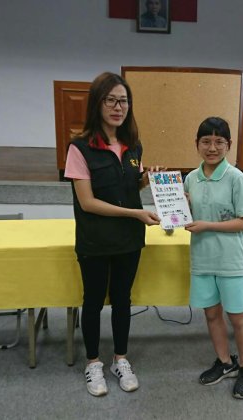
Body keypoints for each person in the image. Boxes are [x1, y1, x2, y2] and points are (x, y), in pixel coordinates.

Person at [64, 72, 162, 397]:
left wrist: (146, 179)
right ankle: (93, 363)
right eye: (111, 100)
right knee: (93, 301)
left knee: (122, 300)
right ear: (97, 103)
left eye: (124, 101)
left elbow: (128, 186)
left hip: (128, 240)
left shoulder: (133, 146)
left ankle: (121, 358)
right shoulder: (79, 148)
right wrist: (135, 213)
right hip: (95, 240)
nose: (118, 107)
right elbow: (88, 202)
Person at [184, 117, 243, 399]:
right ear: (197, 144)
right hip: (202, 259)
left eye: (219, 142)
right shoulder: (191, 178)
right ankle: (225, 362)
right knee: (212, 314)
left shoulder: (236, 177)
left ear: (229, 145)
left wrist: (207, 225)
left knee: (238, 316)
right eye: (206, 141)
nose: (212, 148)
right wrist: (176, 209)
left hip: (230, 261)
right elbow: (186, 218)